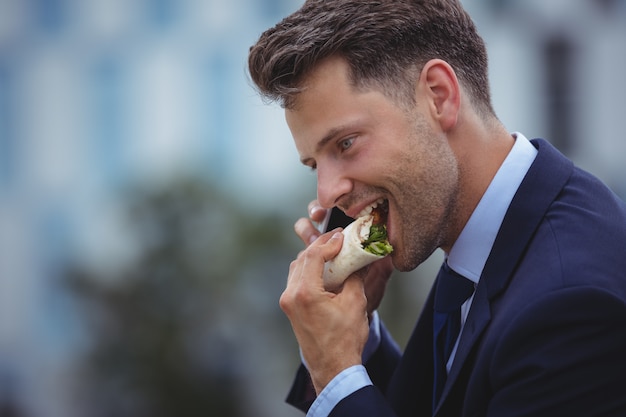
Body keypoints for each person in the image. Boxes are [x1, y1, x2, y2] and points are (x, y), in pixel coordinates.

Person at [247, 0, 626, 416]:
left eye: (346, 143)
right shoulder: (478, 241)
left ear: (438, 96)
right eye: (314, 164)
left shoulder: (568, 306)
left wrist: (337, 377)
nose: (326, 195)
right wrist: (354, 339)